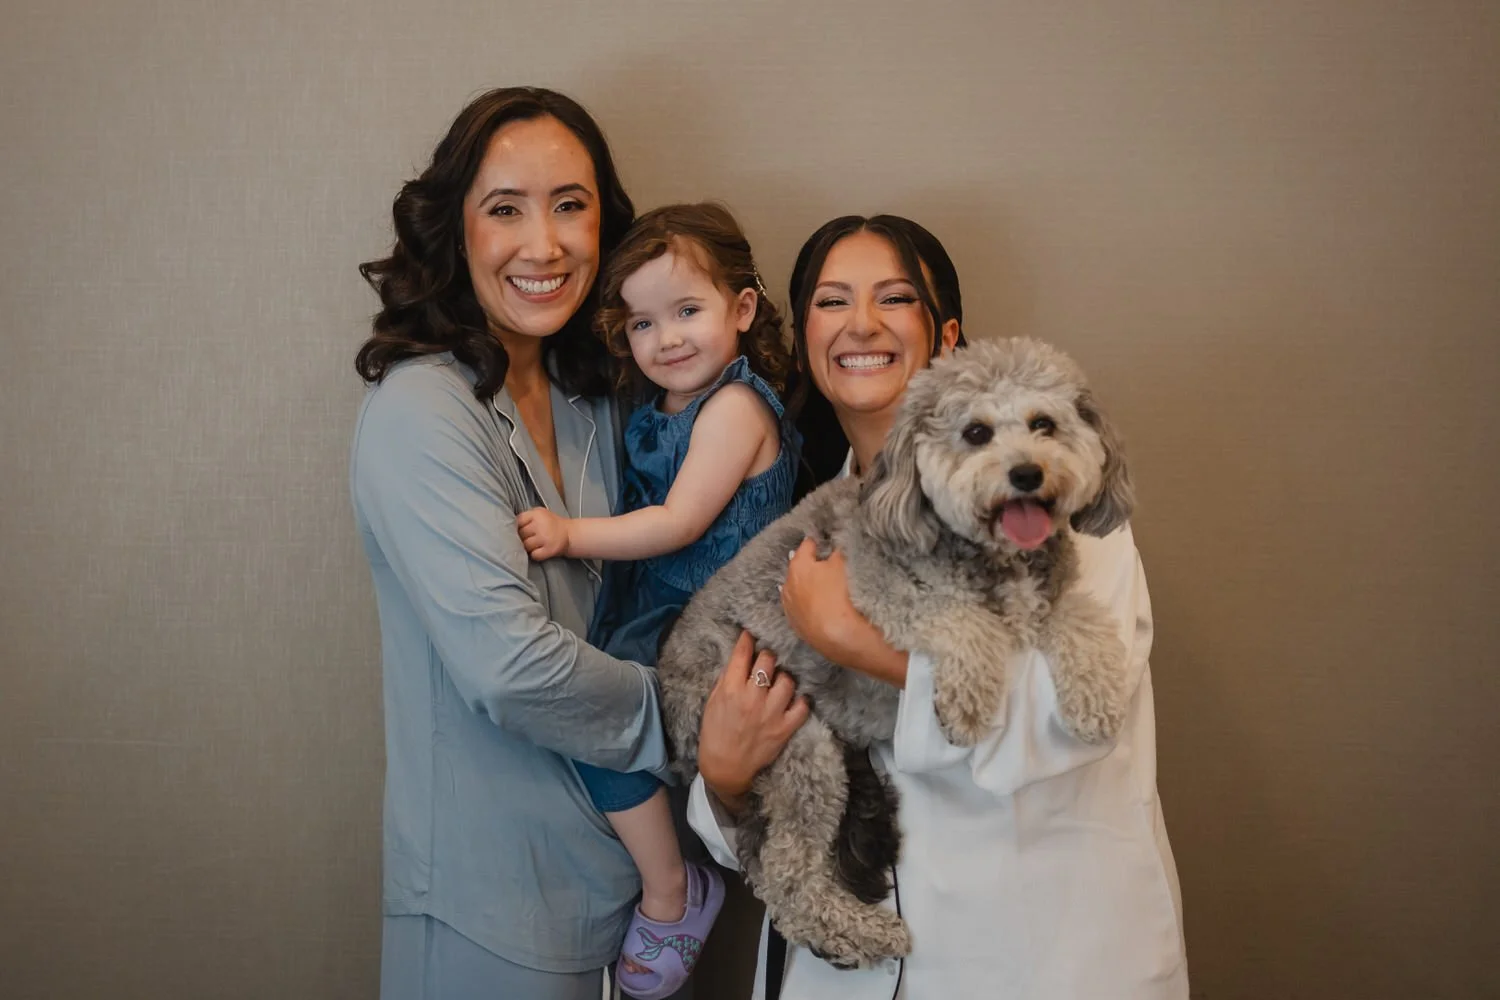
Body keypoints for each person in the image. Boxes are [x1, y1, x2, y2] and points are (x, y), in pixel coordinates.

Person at [687, 215, 1190, 998]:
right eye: (831, 302)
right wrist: (721, 778)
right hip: (844, 975)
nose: (862, 325)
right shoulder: (793, 531)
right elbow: (765, 795)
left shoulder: (1058, 513)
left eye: (894, 298)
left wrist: (852, 641)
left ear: (946, 334)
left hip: (1041, 956)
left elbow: (1070, 724)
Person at [349, 86, 775, 1000]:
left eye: (570, 207)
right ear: (454, 231)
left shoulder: (601, 397)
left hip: (629, 901)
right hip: (491, 902)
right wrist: (700, 722)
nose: (543, 246)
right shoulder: (422, 413)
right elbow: (510, 668)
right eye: (506, 209)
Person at [517, 202, 799, 999]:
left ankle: (672, 890)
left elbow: (678, 523)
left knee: (588, 716)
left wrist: (570, 536)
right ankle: (662, 873)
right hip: (658, 603)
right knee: (591, 717)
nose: (666, 339)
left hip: (710, 618)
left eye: (687, 311)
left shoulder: (736, 408)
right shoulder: (660, 405)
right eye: (642, 323)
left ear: (741, 310)